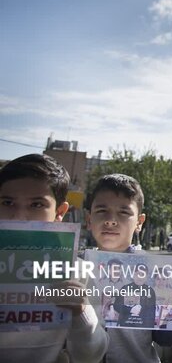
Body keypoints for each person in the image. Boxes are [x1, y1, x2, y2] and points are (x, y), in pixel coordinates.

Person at [0, 154, 108, 362]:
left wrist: (81, 312)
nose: (20, 216)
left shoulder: (78, 272)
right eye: (8, 202)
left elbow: (92, 355)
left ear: (60, 212)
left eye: (37, 205)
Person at [86, 173, 172, 363]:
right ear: (89, 219)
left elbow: (163, 338)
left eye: (124, 212)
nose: (111, 220)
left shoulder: (156, 271)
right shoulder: (75, 267)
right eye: (101, 210)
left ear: (139, 222)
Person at [114, 263, 157, 328]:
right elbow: (116, 306)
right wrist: (130, 309)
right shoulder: (125, 288)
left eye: (143, 274)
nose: (140, 277)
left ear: (146, 277)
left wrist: (149, 328)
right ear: (133, 275)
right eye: (137, 274)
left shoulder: (150, 291)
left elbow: (151, 313)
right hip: (126, 326)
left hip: (143, 328)